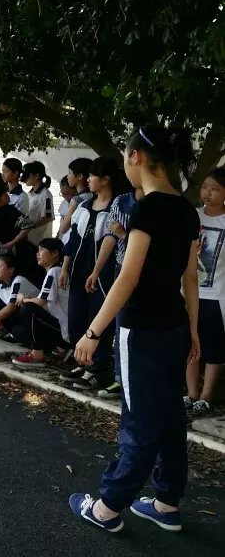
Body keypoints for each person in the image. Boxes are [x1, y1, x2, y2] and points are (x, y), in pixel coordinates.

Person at [69, 124, 200, 535]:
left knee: (140, 420)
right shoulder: (187, 210)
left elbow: (128, 277)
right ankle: (166, 501)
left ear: (136, 157)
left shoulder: (147, 209)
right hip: (175, 326)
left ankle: (107, 506)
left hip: (141, 330)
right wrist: (194, 331)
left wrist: (92, 332)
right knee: (169, 415)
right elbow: (190, 279)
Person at [60, 157, 130, 389]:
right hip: (78, 272)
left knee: (98, 319)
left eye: (92, 175)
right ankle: (82, 362)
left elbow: (112, 241)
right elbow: (73, 241)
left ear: (106, 179)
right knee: (76, 319)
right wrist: (65, 267)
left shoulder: (115, 209)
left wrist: (97, 271)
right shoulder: (83, 207)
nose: (88, 180)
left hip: (102, 276)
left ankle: (98, 369)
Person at [91, 185, 144, 400]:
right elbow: (110, 236)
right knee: (121, 324)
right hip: (122, 268)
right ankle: (120, 379)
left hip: (149, 272)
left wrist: (124, 234)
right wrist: (96, 270)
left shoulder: (160, 203)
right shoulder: (121, 202)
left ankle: (137, 379)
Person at [185, 167, 225, 414]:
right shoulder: (194, 217)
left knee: (213, 348)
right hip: (190, 294)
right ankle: (191, 394)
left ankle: (206, 396)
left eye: (215, 189)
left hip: (217, 296)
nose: (207, 193)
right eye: (205, 187)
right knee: (190, 346)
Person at [11, 238, 70, 367]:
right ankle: (57, 349)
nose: (37, 254)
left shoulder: (54, 271)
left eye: (42, 250)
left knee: (28, 309)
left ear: (54, 253)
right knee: (18, 332)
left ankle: (37, 355)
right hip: (60, 327)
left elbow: (41, 302)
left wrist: (23, 299)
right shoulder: (54, 271)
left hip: (64, 330)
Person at [0, 254, 39, 335]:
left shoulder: (19, 280)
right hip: (23, 319)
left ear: (11, 269)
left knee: (18, 331)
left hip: (37, 319)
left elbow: (11, 307)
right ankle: (7, 331)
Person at [57, 157, 93, 239]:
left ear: (80, 176)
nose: (67, 177)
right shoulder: (92, 196)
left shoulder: (77, 200)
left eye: (70, 173)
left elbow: (64, 228)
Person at [22, 161, 55, 245]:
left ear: (36, 176)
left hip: (39, 242)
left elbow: (48, 217)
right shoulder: (30, 194)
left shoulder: (46, 195)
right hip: (28, 239)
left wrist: (29, 227)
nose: (24, 178)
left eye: (27, 175)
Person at [58, 176, 76, 243]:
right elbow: (61, 223)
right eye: (62, 193)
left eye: (68, 194)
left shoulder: (78, 203)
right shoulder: (64, 203)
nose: (66, 197)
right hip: (62, 239)